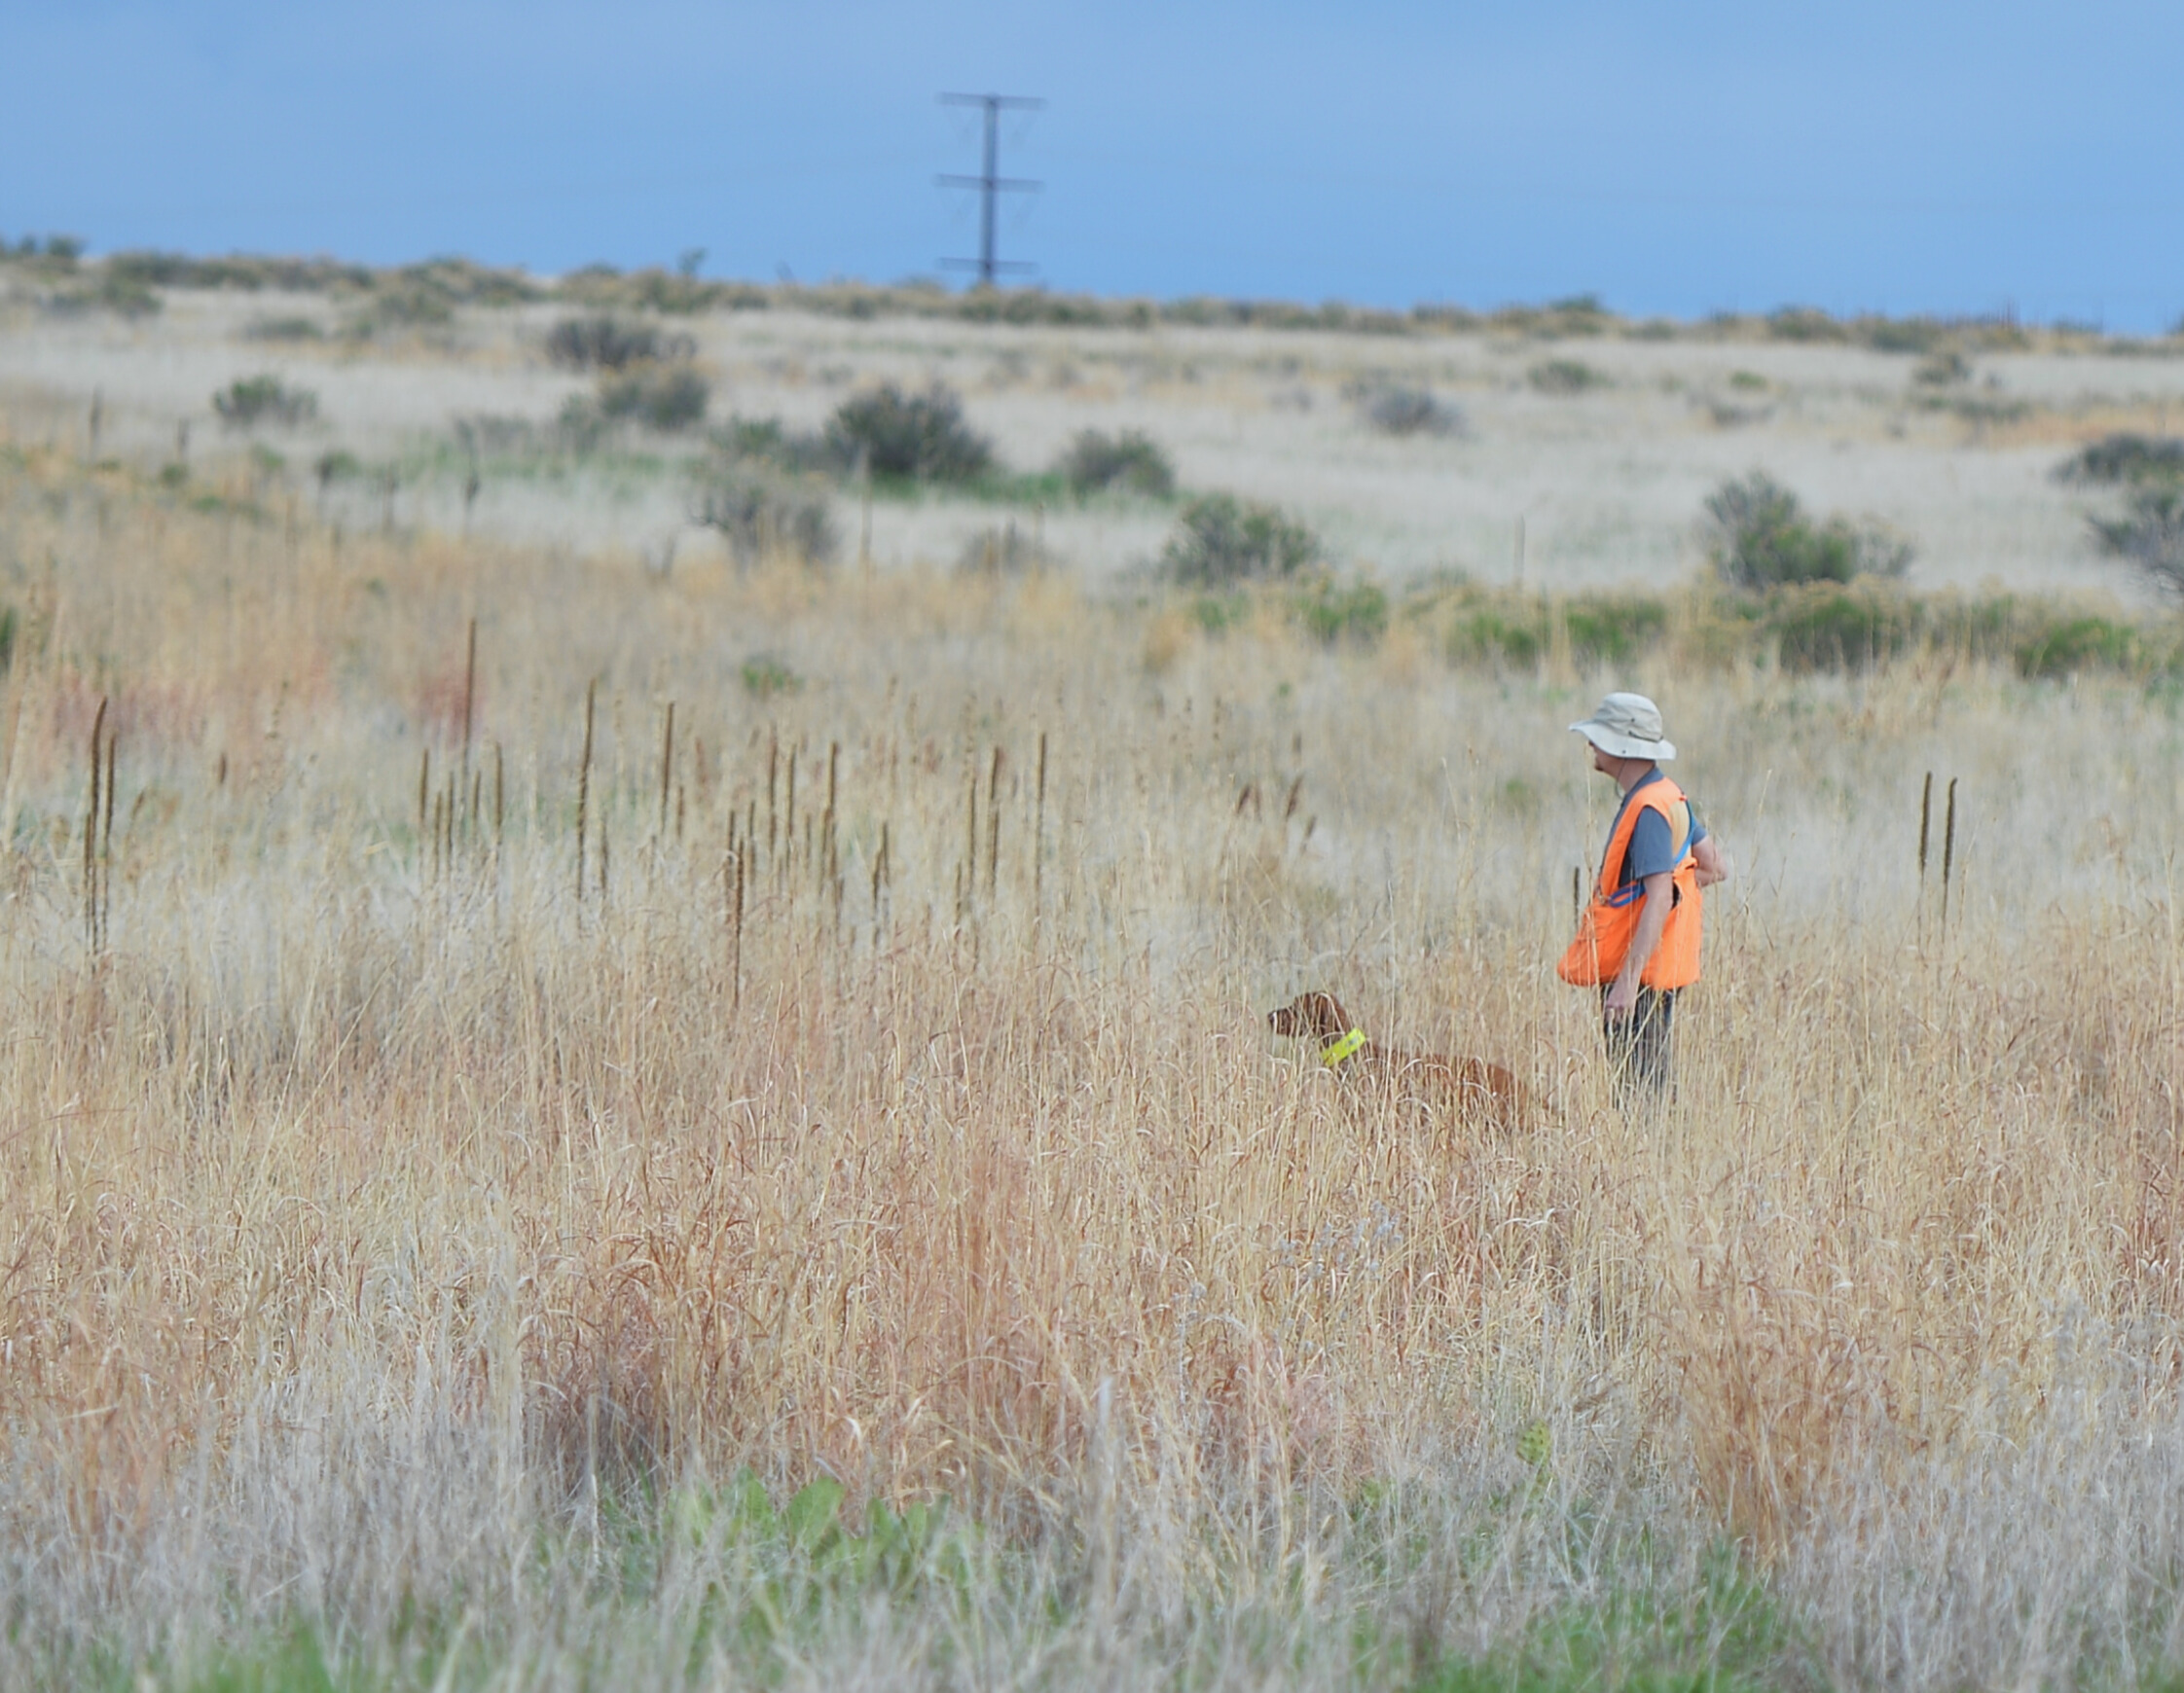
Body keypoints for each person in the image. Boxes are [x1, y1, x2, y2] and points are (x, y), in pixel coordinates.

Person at [1557, 693, 1728, 1103]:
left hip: (1641, 976)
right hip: (1658, 966)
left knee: (1638, 1097)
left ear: (1622, 746)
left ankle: (1656, 1164)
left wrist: (1628, 980)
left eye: (1599, 738)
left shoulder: (1648, 809)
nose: (1591, 746)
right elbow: (1713, 867)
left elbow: (1659, 897)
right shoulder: (1667, 793)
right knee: (1651, 1084)